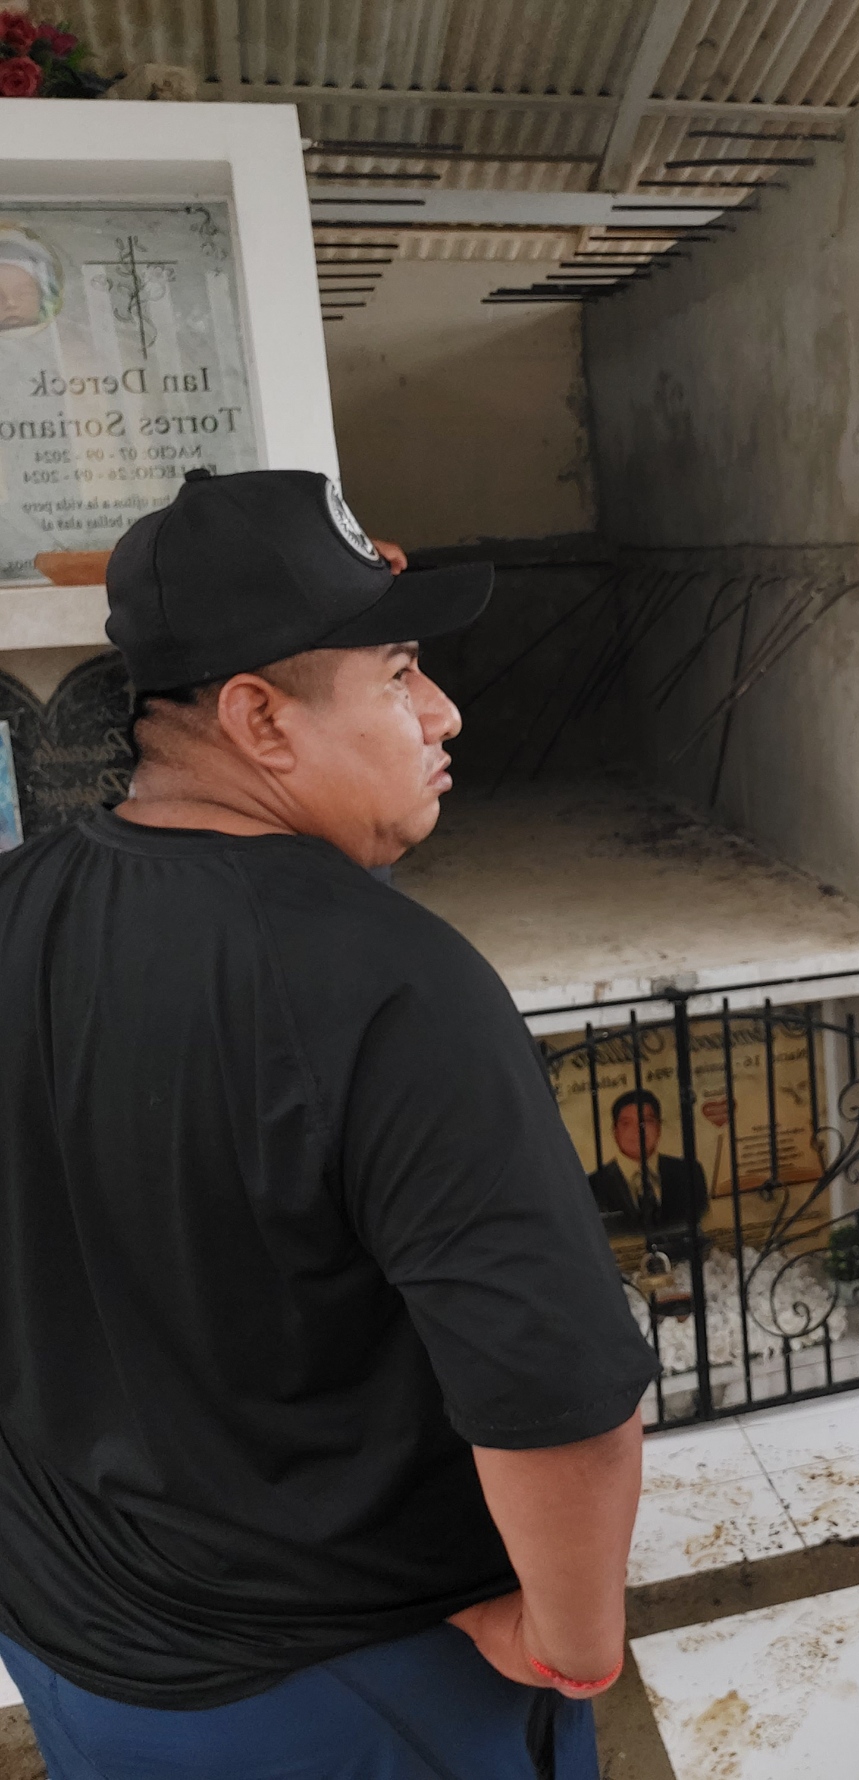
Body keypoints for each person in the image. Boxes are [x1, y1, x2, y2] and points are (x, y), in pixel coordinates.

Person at [0, 468, 658, 1779]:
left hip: (73, 1654)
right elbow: (559, 1400)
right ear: (259, 717)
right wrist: (574, 1642)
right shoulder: (392, 986)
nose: (445, 712)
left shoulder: (15, 908)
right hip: (352, 1692)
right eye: (400, 673)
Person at [588, 1087, 710, 1258]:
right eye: (626, 1123)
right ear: (615, 1131)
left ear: (659, 1127)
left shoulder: (689, 1172)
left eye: (646, 1121)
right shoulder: (593, 1185)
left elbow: (700, 1218)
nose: (638, 1130)